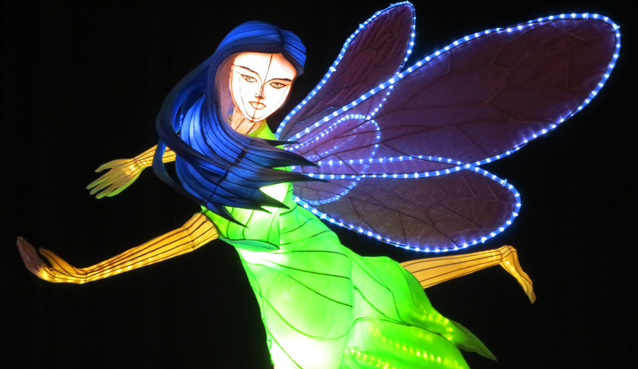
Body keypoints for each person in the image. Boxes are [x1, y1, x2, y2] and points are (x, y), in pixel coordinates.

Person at [18, 20, 533, 369]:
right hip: (304, 245)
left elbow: (192, 236)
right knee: (383, 286)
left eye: (279, 85)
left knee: (353, 332)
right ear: (222, 71)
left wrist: (91, 273)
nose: (260, 96)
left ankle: (493, 256)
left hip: (296, 274)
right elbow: (205, 139)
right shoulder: (229, 128)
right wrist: (138, 161)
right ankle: (495, 256)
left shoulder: (265, 170)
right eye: (248, 76)